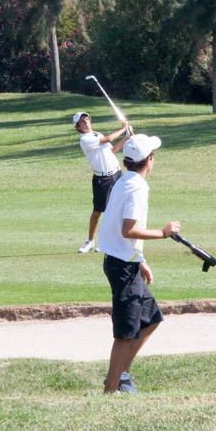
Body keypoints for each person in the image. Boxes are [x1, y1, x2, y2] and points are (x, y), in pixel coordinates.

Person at [97, 134, 181, 394]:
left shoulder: (123, 182)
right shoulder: (137, 188)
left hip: (125, 262)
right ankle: (110, 391)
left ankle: (121, 374)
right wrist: (163, 233)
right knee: (125, 332)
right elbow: (128, 230)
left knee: (151, 317)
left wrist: (140, 260)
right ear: (150, 160)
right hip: (122, 267)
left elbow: (118, 229)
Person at [74, 111, 130, 253]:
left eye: (87, 119)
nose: (86, 122)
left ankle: (111, 241)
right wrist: (123, 128)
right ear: (78, 127)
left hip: (117, 174)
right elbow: (108, 139)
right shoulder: (84, 140)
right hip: (102, 179)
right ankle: (90, 242)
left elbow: (113, 150)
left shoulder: (97, 134)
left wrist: (126, 137)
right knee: (97, 212)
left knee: (118, 208)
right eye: (82, 121)